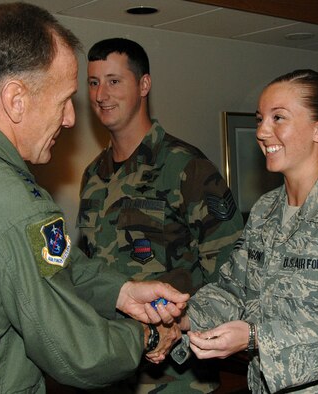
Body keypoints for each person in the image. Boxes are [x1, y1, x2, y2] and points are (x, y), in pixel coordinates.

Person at [0, 3, 190, 393]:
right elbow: (76, 353)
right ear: (16, 99)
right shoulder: (13, 208)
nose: (70, 118)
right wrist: (145, 337)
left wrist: (121, 291)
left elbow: (53, 262)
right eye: (64, 99)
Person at [171, 69, 318, 393]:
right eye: (260, 119)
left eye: (278, 118)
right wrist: (183, 319)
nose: (263, 131)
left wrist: (255, 337)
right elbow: (233, 290)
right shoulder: (265, 211)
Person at [77, 38, 244, 393]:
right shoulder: (93, 177)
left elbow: (233, 269)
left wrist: (177, 323)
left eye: (114, 81)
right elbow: (88, 272)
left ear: (144, 85)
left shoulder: (187, 167)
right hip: (110, 367)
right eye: (93, 83)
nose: (101, 94)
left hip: (175, 374)